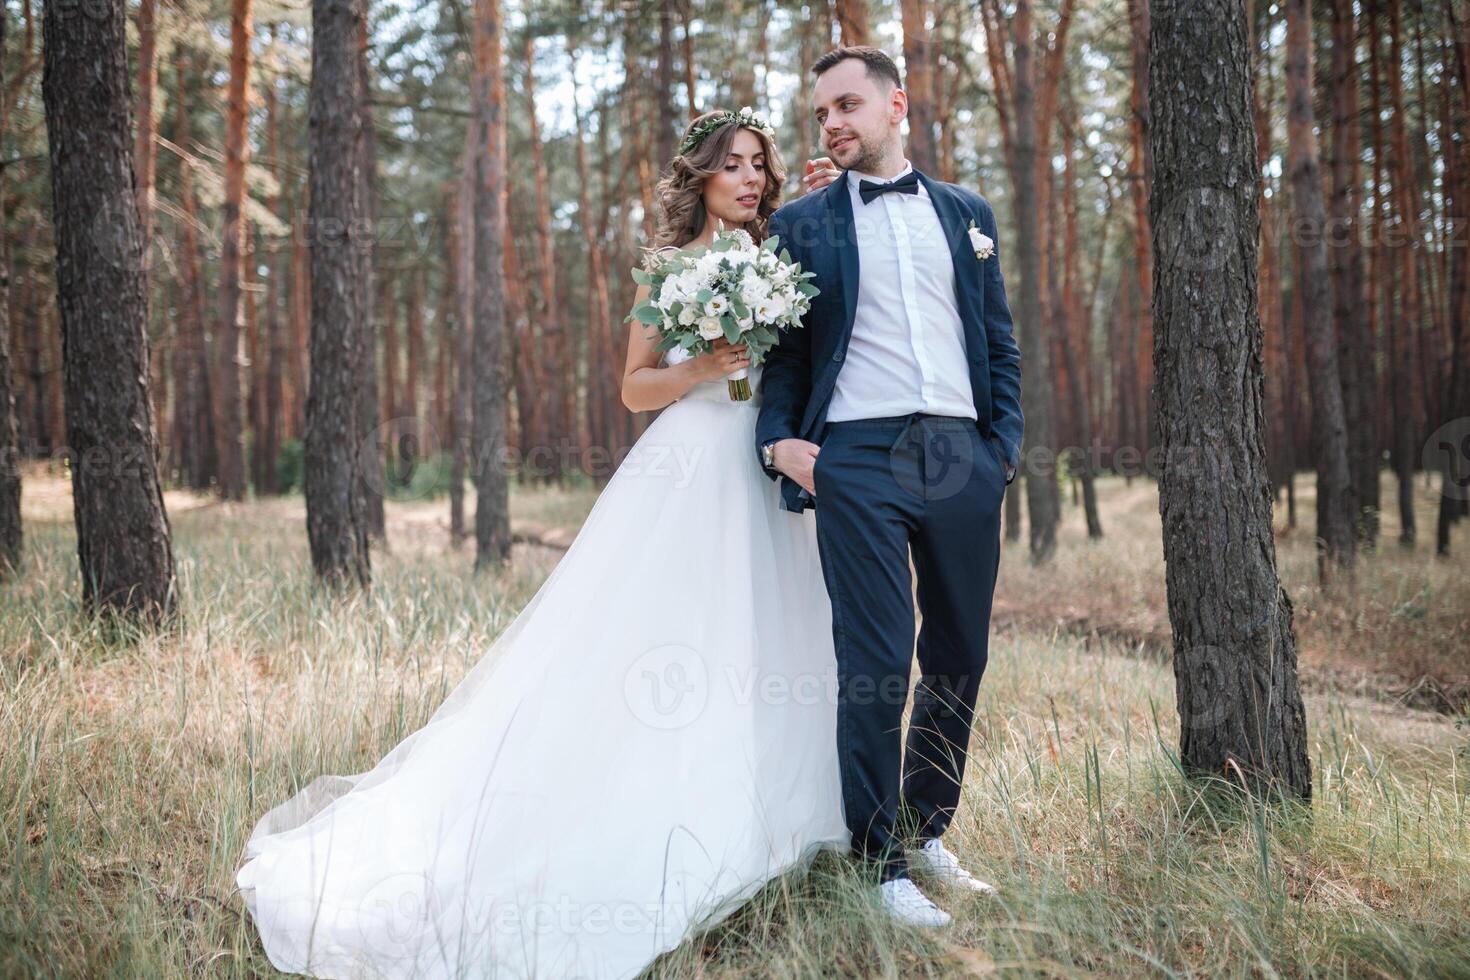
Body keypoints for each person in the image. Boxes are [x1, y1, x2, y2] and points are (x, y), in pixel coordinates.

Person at [234, 109, 858, 979]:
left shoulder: (779, 256)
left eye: (760, 164)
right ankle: (668, 819)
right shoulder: (669, 271)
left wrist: (829, 203)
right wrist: (701, 370)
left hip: (768, 462)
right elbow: (636, 389)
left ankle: (781, 827)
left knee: (780, 635)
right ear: (702, 178)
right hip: (690, 469)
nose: (750, 178)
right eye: (732, 165)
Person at [756, 45, 1022, 929]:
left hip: (961, 457)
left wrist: (1002, 451)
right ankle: (878, 866)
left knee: (959, 655)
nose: (831, 123)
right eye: (820, 113)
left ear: (895, 105)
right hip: (857, 459)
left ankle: (925, 826)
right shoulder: (802, 223)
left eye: (846, 106)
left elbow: (998, 343)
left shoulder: (967, 213)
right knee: (875, 664)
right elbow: (785, 355)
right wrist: (779, 443)